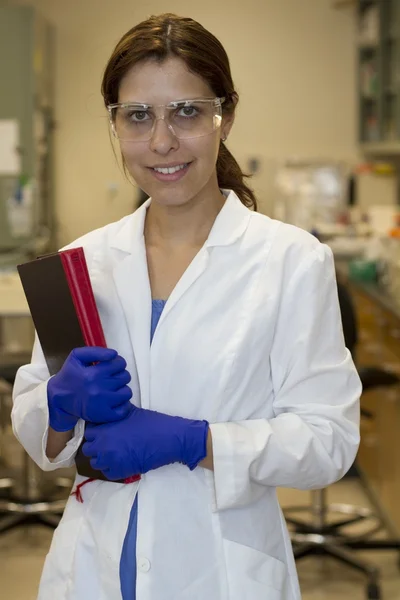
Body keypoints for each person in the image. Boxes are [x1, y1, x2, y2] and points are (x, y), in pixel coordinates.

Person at [12, 13, 361, 600]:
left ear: (225, 115)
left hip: (220, 569)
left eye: (188, 112)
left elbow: (329, 441)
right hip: (94, 566)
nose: (162, 142)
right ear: (116, 124)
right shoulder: (79, 263)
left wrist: (195, 441)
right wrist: (56, 407)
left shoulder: (290, 261)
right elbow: (39, 440)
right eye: (138, 116)